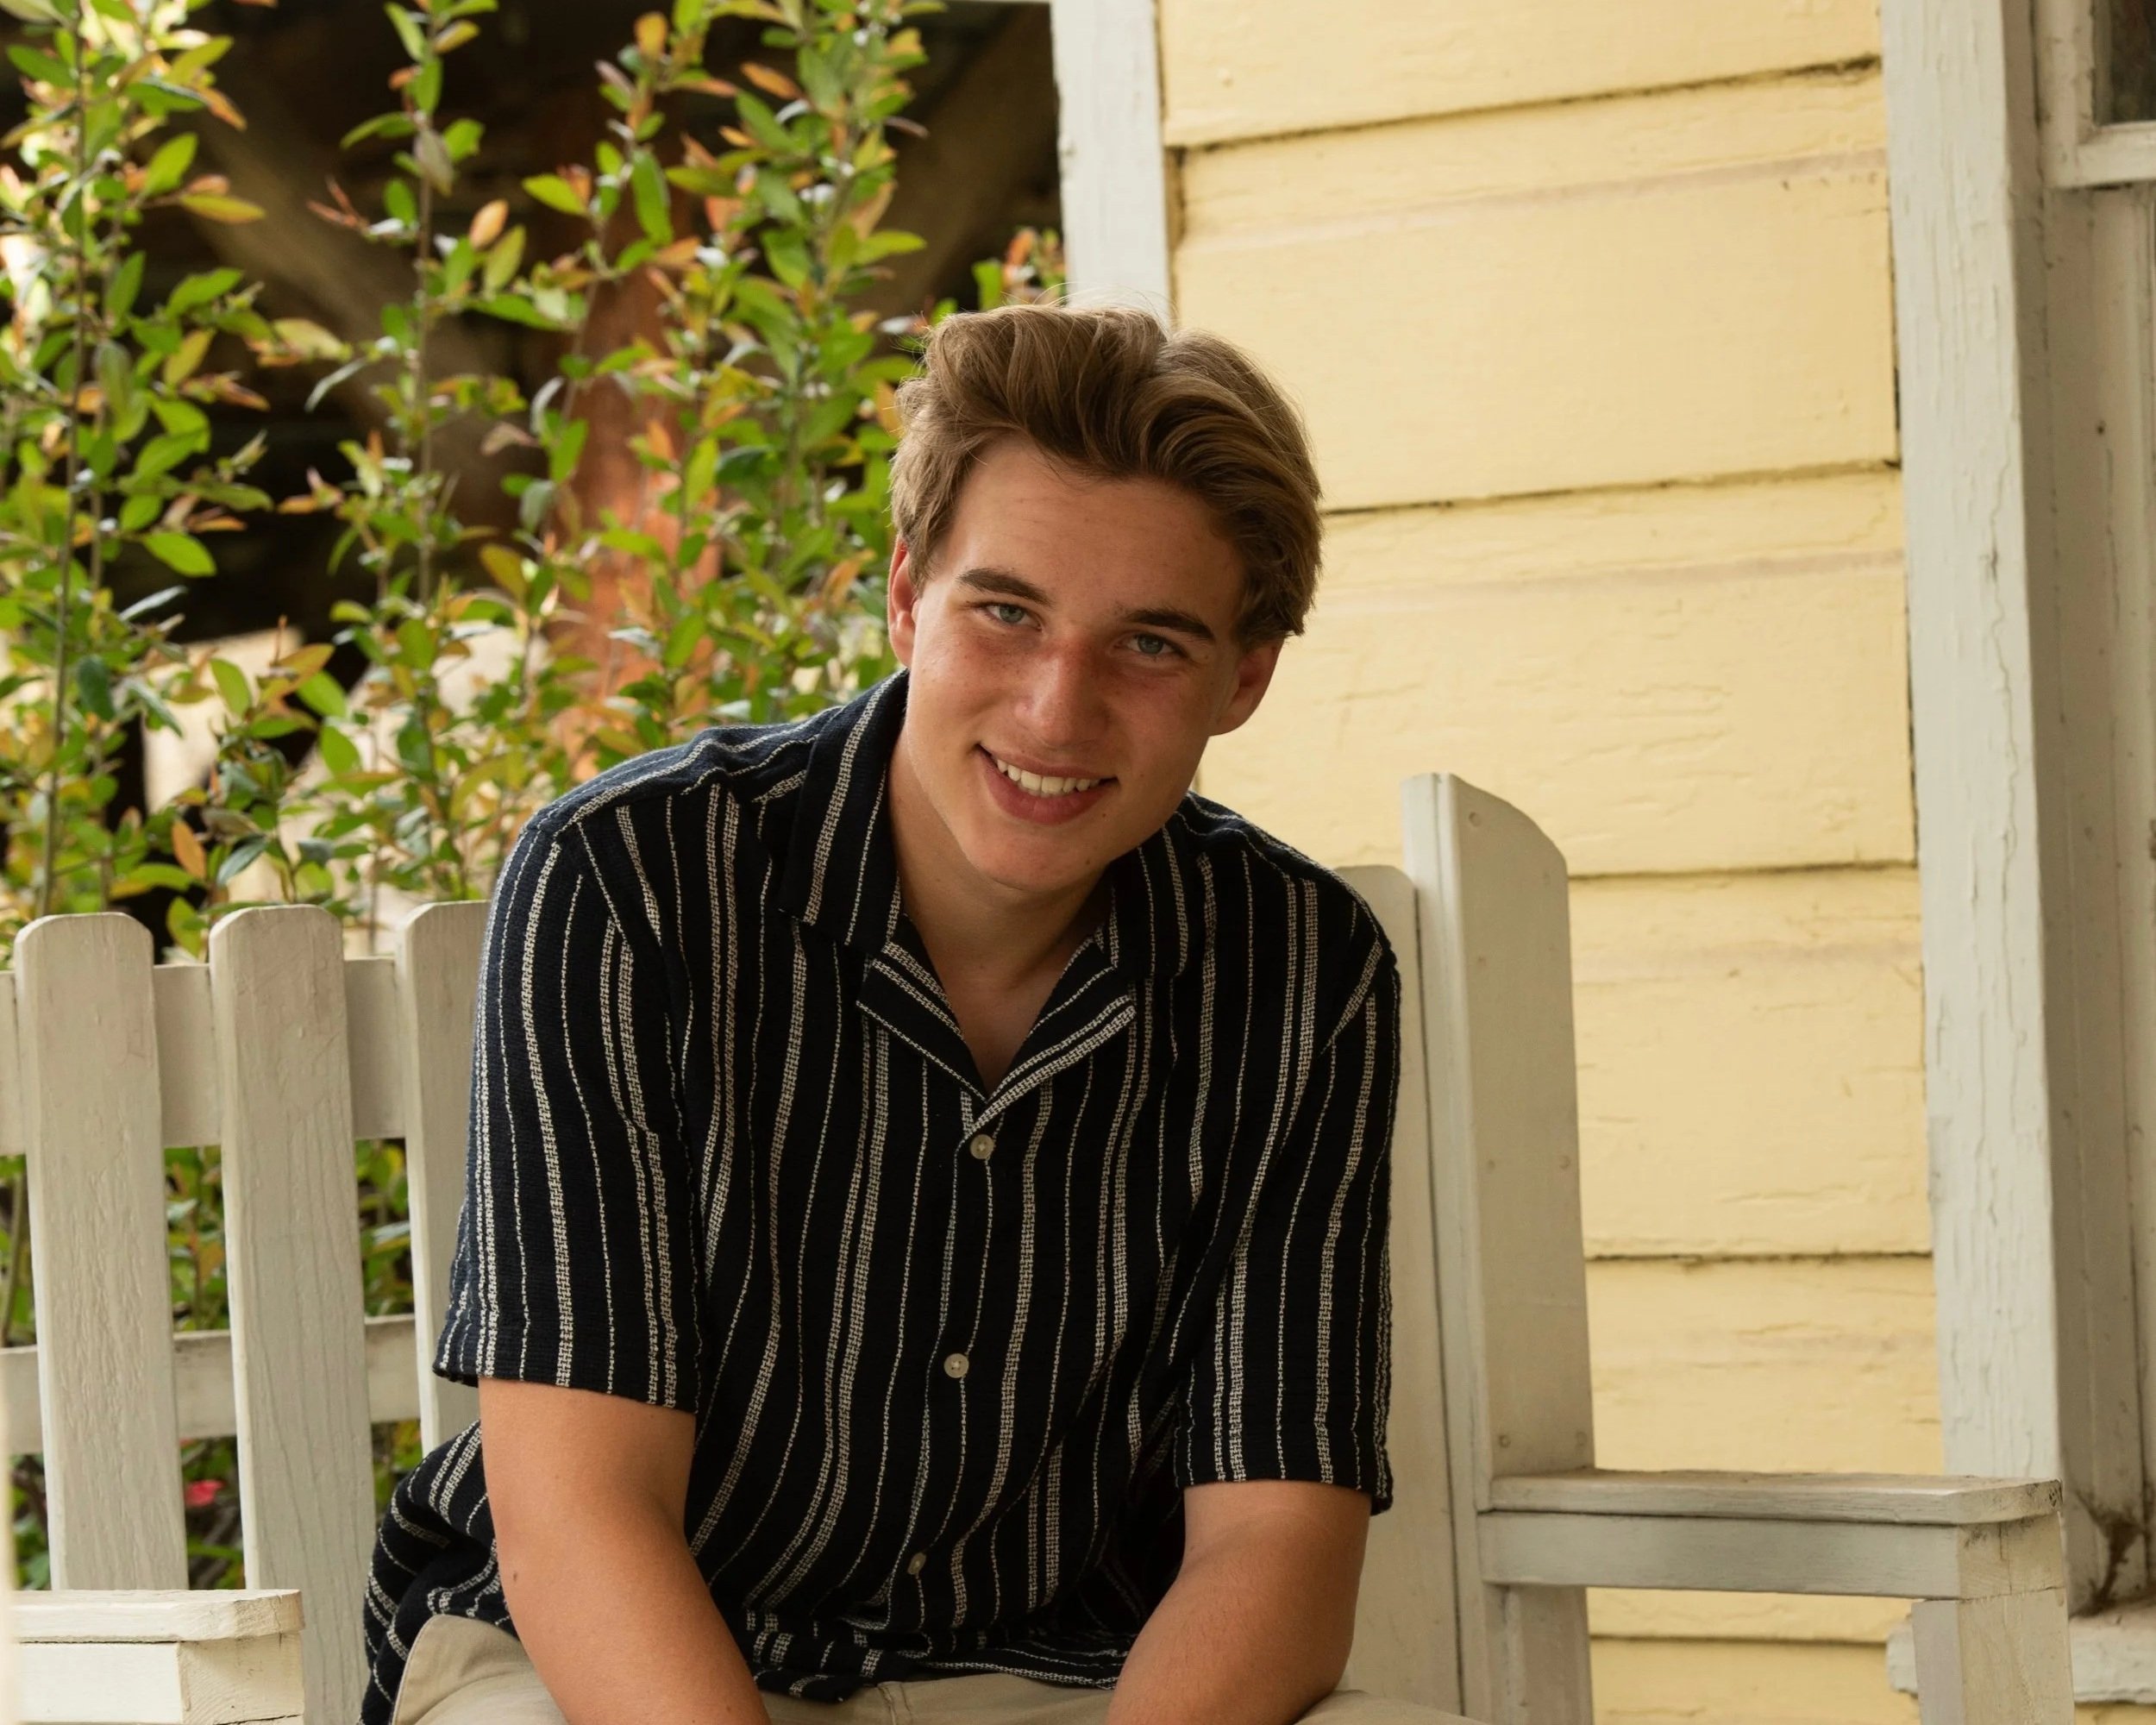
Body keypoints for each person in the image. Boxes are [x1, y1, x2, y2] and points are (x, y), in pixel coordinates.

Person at [362, 303, 1463, 1725]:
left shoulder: (1301, 970)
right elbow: (584, 1518)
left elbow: (1275, 1536)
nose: (1056, 711)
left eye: (1149, 644)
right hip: (606, 1669)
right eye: (1005, 612)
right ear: (904, 598)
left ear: (1242, 679)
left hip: (1052, 1683)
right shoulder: (631, 883)